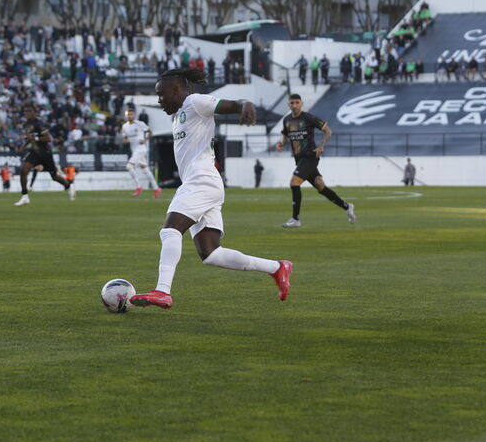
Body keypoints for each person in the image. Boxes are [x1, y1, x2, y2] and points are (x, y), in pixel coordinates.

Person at [129, 69, 292, 310]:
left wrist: (244, 104)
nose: (159, 101)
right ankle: (277, 268)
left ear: (176, 90)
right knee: (211, 254)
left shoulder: (194, 101)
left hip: (201, 180)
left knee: (170, 231)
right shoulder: (179, 115)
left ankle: (162, 291)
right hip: (205, 183)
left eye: (161, 95)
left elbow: (232, 104)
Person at [275, 94, 355, 228]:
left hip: (310, 157)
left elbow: (328, 131)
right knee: (321, 187)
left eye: (297, 102)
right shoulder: (287, 120)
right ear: (288, 104)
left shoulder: (308, 118)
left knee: (294, 182)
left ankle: (296, 219)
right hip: (299, 160)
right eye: (292, 103)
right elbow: (285, 135)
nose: (294, 105)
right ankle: (347, 206)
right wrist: (281, 143)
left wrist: (321, 146)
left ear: (302, 104)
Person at [14, 106, 74, 206]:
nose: (27, 113)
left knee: (54, 177)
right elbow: (30, 138)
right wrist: (23, 146)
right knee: (23, 170)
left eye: (29, 111)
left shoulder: (39, 123)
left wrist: (35, 138)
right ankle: (25, 197)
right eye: (25, 112)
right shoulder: (26, 125)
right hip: (34, 152)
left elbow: (49, 138)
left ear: (34, 112)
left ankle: (68, 186)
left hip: (45, 153)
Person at [121, 108, 161, 198]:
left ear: (134, 115)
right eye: (128, 114)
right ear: (126, 115)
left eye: (131, 114)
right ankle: (156, 188)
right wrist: (124, 140)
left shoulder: (139, 123)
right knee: (145, 170)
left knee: (129, 166)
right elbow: (125, 138)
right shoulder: (125, 126)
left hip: (141, 149)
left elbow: (150, 132)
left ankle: (138, 187)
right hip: (134, 150)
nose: (129, 116)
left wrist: (145, 139)